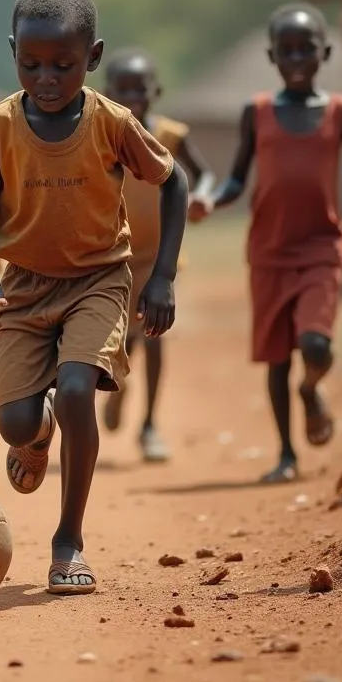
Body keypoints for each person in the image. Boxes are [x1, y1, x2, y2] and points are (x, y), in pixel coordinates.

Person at [0, 0, 188, 596]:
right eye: (31, 64)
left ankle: (68, 541)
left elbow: (173, 180)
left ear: (94, 56)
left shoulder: (113, 122)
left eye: (64, 64)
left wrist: (161, 274)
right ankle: (37, 434)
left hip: (98, 279)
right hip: (25, 288)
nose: (47, 77)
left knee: (80, 387)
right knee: (14, 423)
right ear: (13, 54)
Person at [189, 3, 342, 484]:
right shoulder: (257, 113)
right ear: (272, 56)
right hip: (269, 252)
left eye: (307, 49)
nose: (297, 59)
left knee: (315, 346)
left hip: (321, 247)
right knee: (277, 358)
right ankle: (286, 453)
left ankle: (311, 390)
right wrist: (211, 200)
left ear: (326, 52)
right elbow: (236, 179)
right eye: (287, 51)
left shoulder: (340, 113)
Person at [101, 49, 214, 462]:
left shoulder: (168, 136)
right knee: (114, 340)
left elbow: (203, 174)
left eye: (140, 89)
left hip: (158, 257)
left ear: (156, 92)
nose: (132, 97)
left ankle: (149, 424)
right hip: (112, 256)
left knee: (154, 336)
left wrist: (203, 196)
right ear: (107, 93)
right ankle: (118, 386)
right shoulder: (103, 135)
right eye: (122, 90)